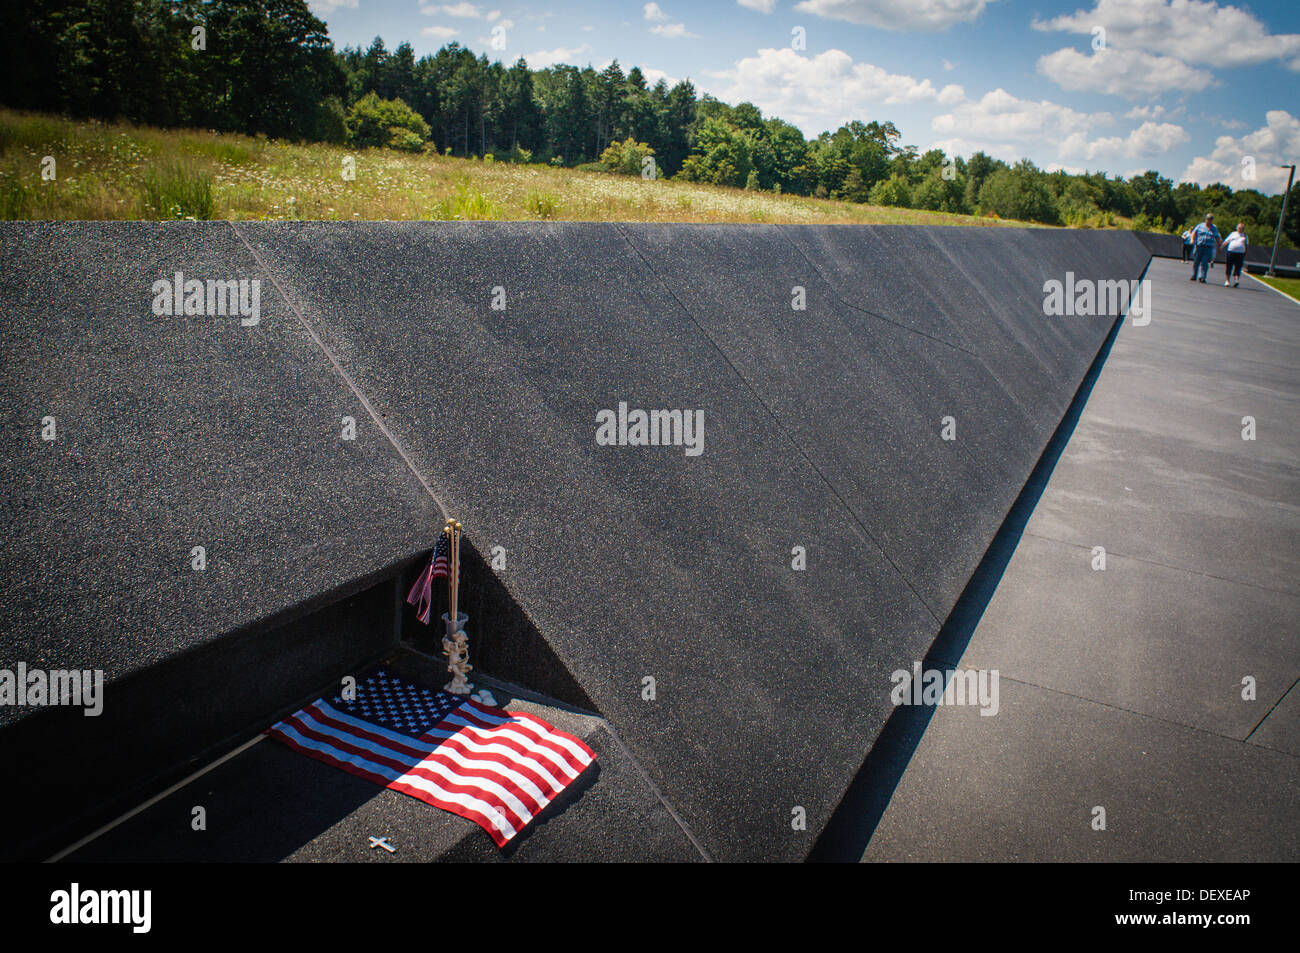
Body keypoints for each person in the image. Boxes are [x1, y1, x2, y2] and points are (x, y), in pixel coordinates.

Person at [1189, 213, 1221, 283]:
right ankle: (1194, 275)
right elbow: (1194, 233)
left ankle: (1202, 277)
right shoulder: (1200, 226)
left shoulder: (1214, 228)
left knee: (1204, 262)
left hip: (1208, 248)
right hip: (1199, 246)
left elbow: (1217, 237)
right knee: (1196, 262)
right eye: (1208, 219)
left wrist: (1219, 246)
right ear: (1206, 219)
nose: (1209, 221)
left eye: (1211, 220)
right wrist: (1192, 240)